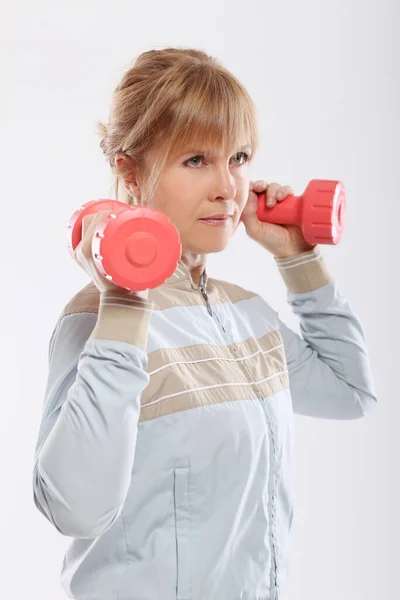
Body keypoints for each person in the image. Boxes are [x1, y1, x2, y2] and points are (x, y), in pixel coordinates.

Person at [32, 47, 377, 600]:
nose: (229, 188)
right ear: (130, 170)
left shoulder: (247, 314)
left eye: (238, 157)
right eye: (196, 160)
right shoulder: (97, 318)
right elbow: (76, 508)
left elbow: (352, 392)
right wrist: (124, 303)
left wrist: (298, 257)